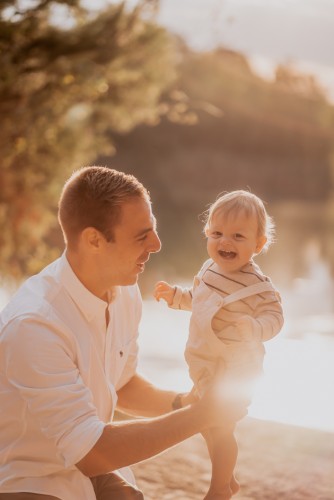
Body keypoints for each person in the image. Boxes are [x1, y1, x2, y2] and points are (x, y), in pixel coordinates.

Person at [0, 167, 245, 500]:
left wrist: (184, 402)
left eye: (154, 231)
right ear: (94, 240)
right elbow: (93, 453)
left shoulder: (123, 291)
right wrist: (200, 415)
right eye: (142, 235)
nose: (157, 245)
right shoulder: (35, 324)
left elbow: (122, 383)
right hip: (30, 477)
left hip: (92, 469)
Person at [154, 190, 284, 500]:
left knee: (220, 424)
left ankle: (219, 488)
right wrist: (176, 297)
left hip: (237, 367)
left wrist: (256, 327)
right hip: (206, 359)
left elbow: (276, 317)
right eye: (217, 234)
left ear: (258, 244)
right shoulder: (208, 270)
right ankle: (227, 478)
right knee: (206, 422)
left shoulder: (257, 285)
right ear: (207, 235)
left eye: (238, 236)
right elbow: (199, 301)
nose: (225, 242)